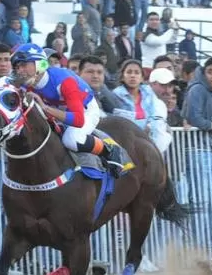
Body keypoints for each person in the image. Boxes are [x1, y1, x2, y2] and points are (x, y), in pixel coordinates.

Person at [9, 43, 127, 177]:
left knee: (71, 139)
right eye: (17, 67)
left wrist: (46, 108)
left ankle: (108, 149)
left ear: (40, 65)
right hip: (59, 109)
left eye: (24, 65)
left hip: (85, 110)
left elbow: (78, 120)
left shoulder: (65, 80)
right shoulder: (27, 84)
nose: (19, 71)